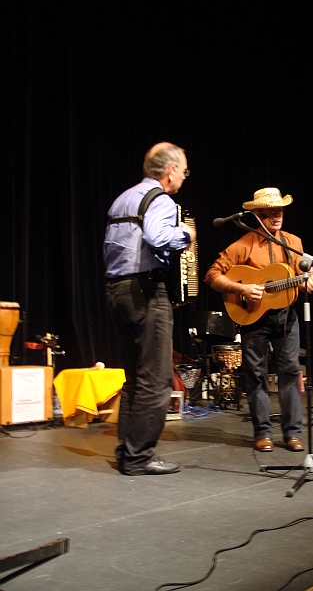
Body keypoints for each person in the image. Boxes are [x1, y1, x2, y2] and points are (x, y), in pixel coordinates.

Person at [104, 142, 196, 475]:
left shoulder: (123, 198)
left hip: (118, 290)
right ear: (170, 170)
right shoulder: (161, 200)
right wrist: (184, 234)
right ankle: (139, 457)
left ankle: (128, 452)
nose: (185, 178)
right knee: (156, 380)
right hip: (145, 291)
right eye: (184, 171)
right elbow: (158, 238)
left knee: (135, 379)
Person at [204, 188, 313, 452]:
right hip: (253, 318)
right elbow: (212, 275)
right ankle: (263, 433)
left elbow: (301, 278)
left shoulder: (293, 242)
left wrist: (310, 282)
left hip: (287, 316)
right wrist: (242, 289)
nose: (277, 215)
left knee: (290, 372)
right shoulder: (242, 245)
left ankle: (292, 433)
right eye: (271, 212)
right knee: (256, 375)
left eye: (280, 210)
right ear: (257, 215)